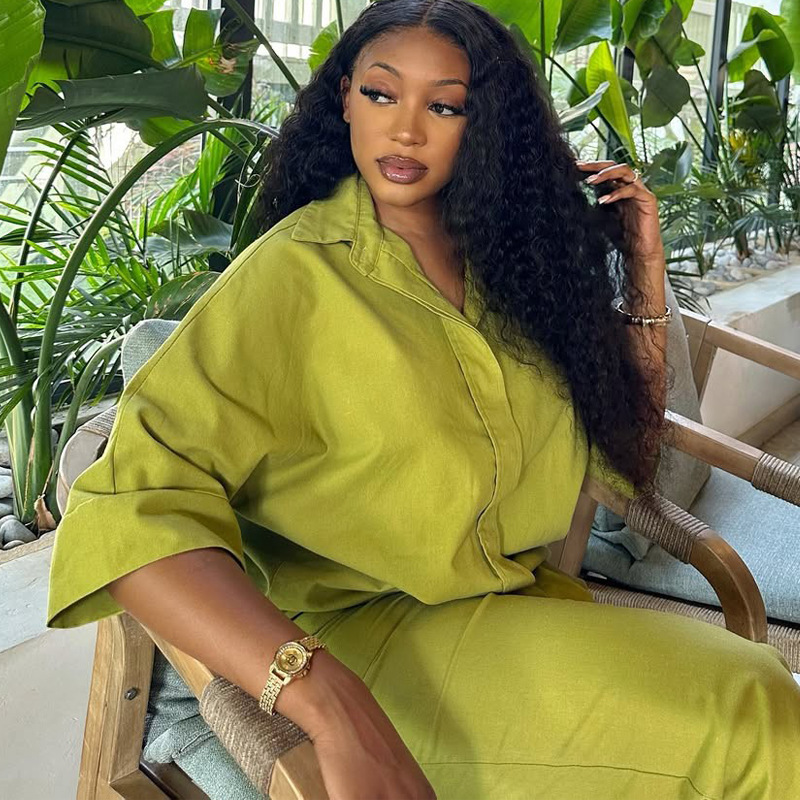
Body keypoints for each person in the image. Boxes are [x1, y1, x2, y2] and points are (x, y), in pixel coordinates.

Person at [47, 0, 800, 798]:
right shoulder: (290, 276)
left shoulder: (511, 272)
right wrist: (328, 702)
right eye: (381, 93)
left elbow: (630, 464)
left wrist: (641, 269)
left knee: (759, 691)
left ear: (483, 126)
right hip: (359, 650)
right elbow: (127, 509)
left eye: (444, 106)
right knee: (755, 726)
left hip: (515, 616)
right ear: (345, 99)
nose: (406, 130)